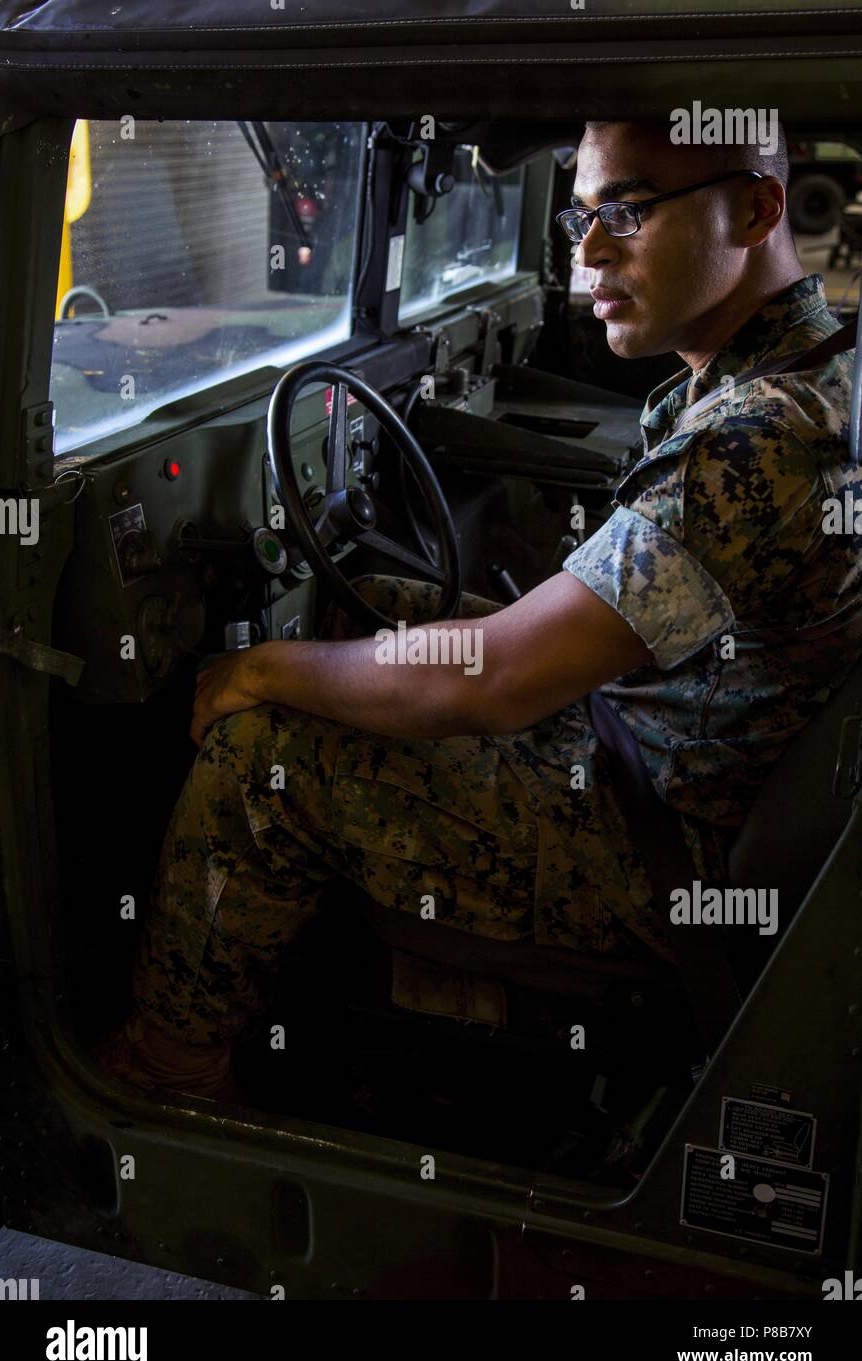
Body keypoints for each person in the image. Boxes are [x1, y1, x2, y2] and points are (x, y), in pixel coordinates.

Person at [96, 120, 862, 1103]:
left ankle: (169, 1069)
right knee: (369, 608)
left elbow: (494, 677)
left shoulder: (759, 442)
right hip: (680, 740)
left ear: (753, 209)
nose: (586, 251)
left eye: (625, 211)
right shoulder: (807, 366)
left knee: (260, 752)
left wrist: (260, 669)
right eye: (580, 215)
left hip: (655, 842)